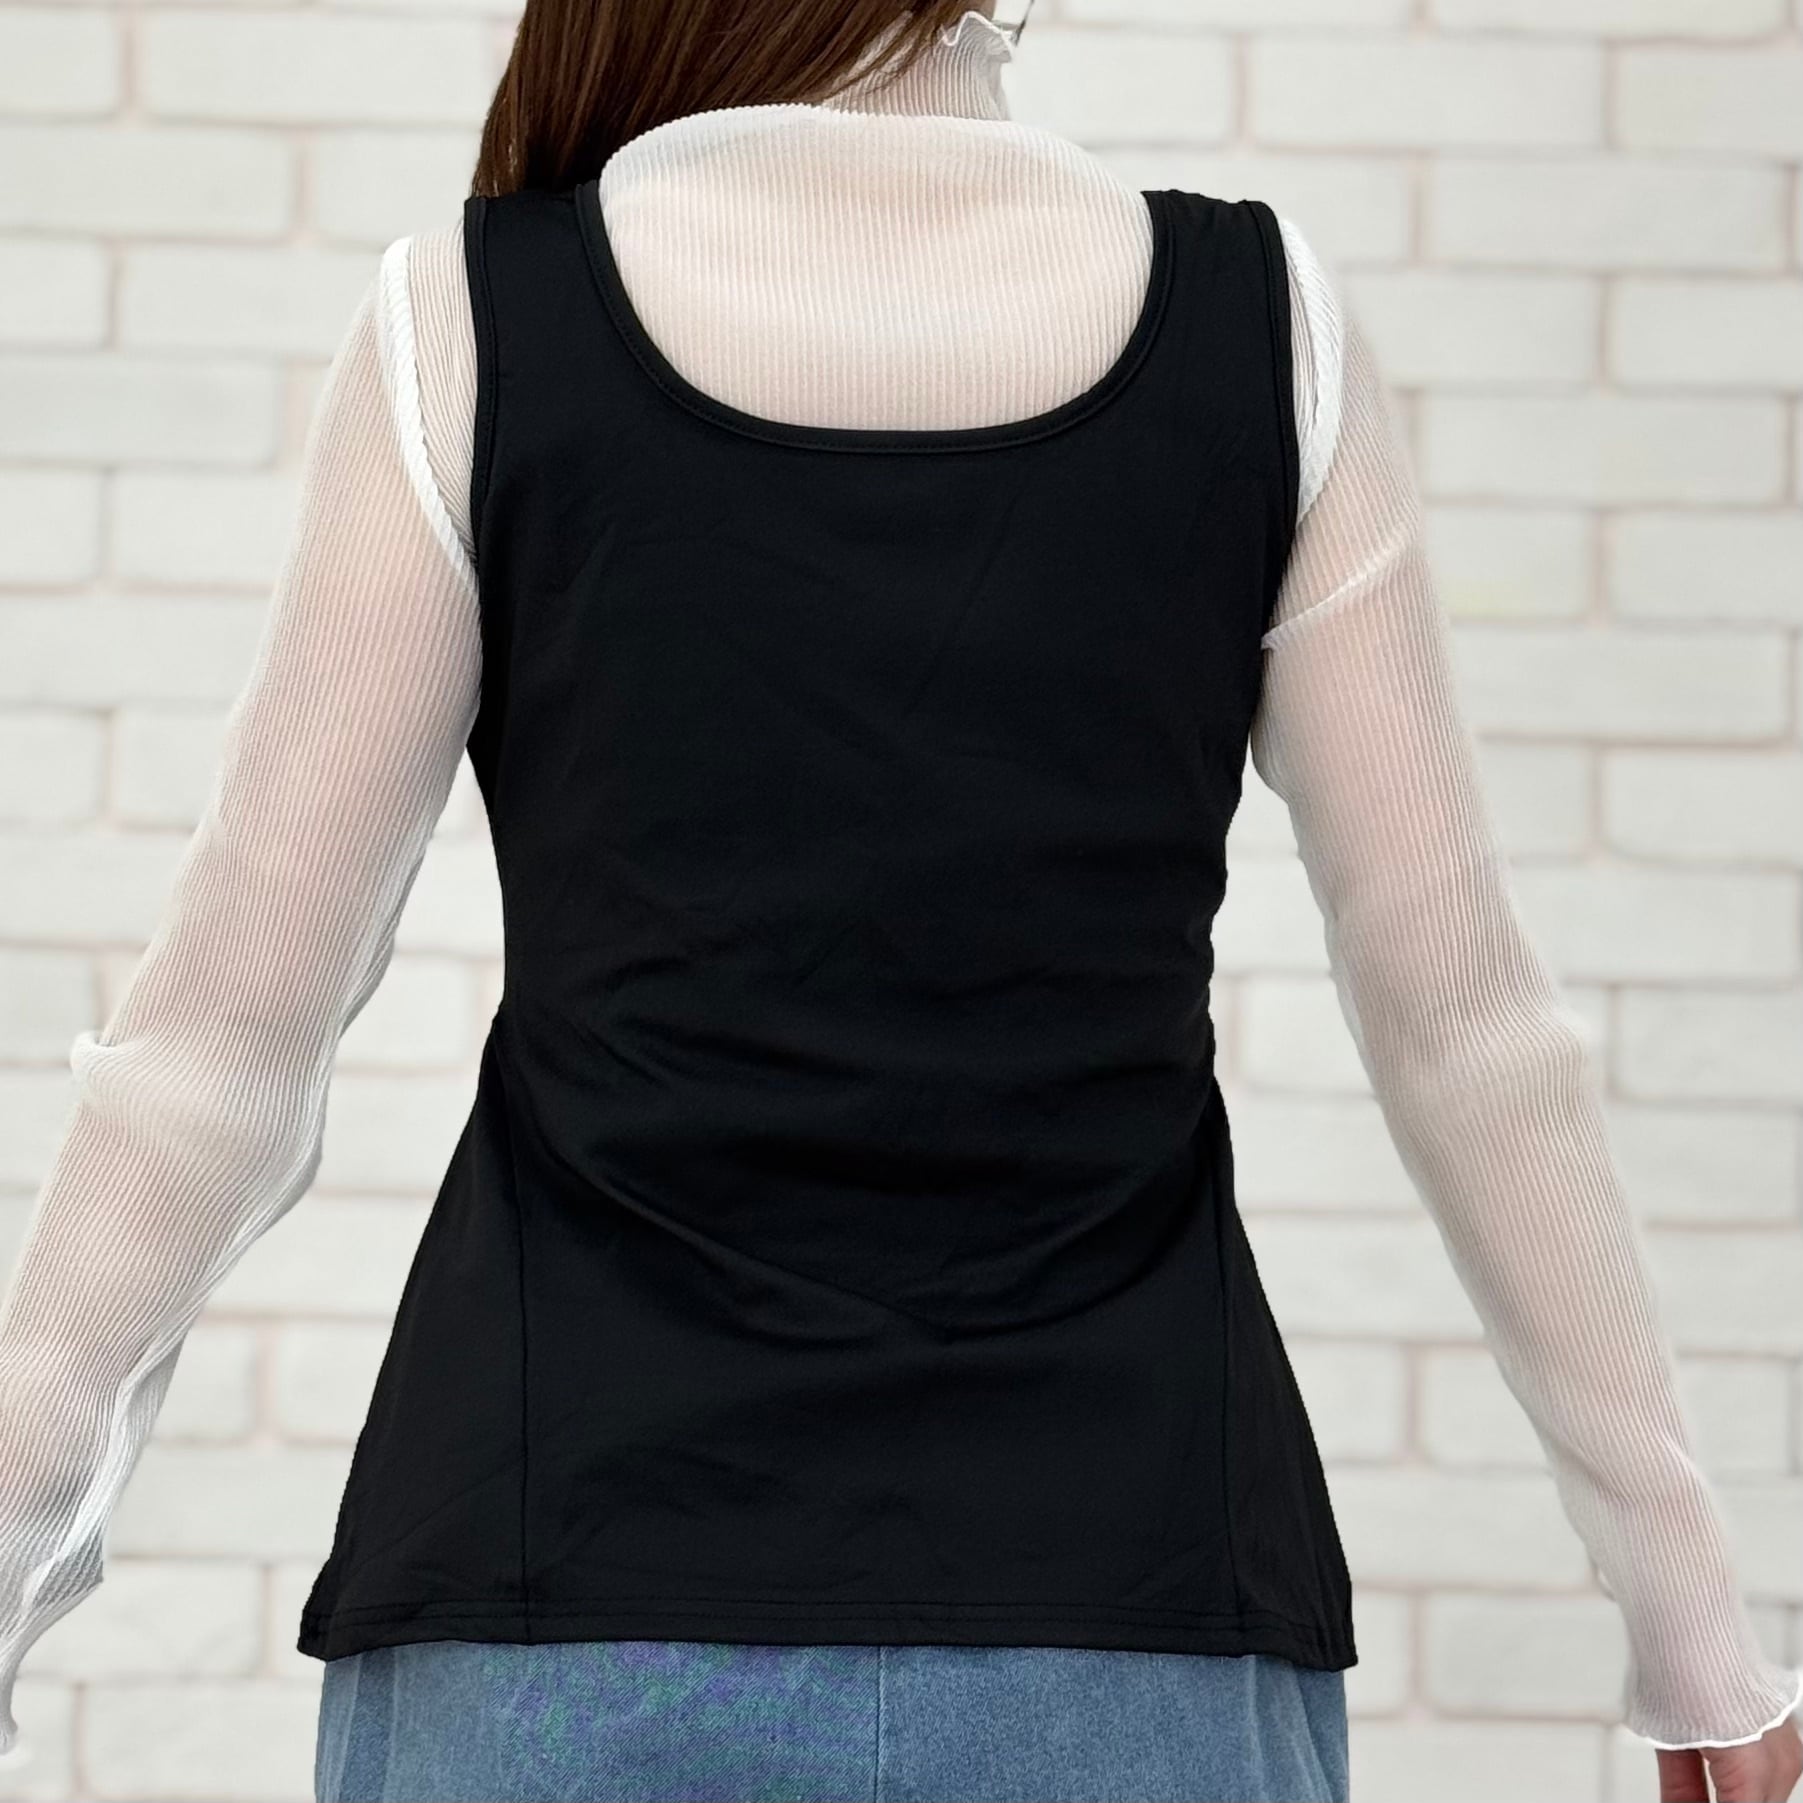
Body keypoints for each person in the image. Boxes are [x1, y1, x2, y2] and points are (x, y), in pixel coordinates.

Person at [1, 2, 1799, 1800]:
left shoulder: (473, 323)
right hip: (1134, 1609)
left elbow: (223, 1046)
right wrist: (1693, 1627)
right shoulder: (1267, 333)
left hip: (561, 1611)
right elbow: (1466, 1028)